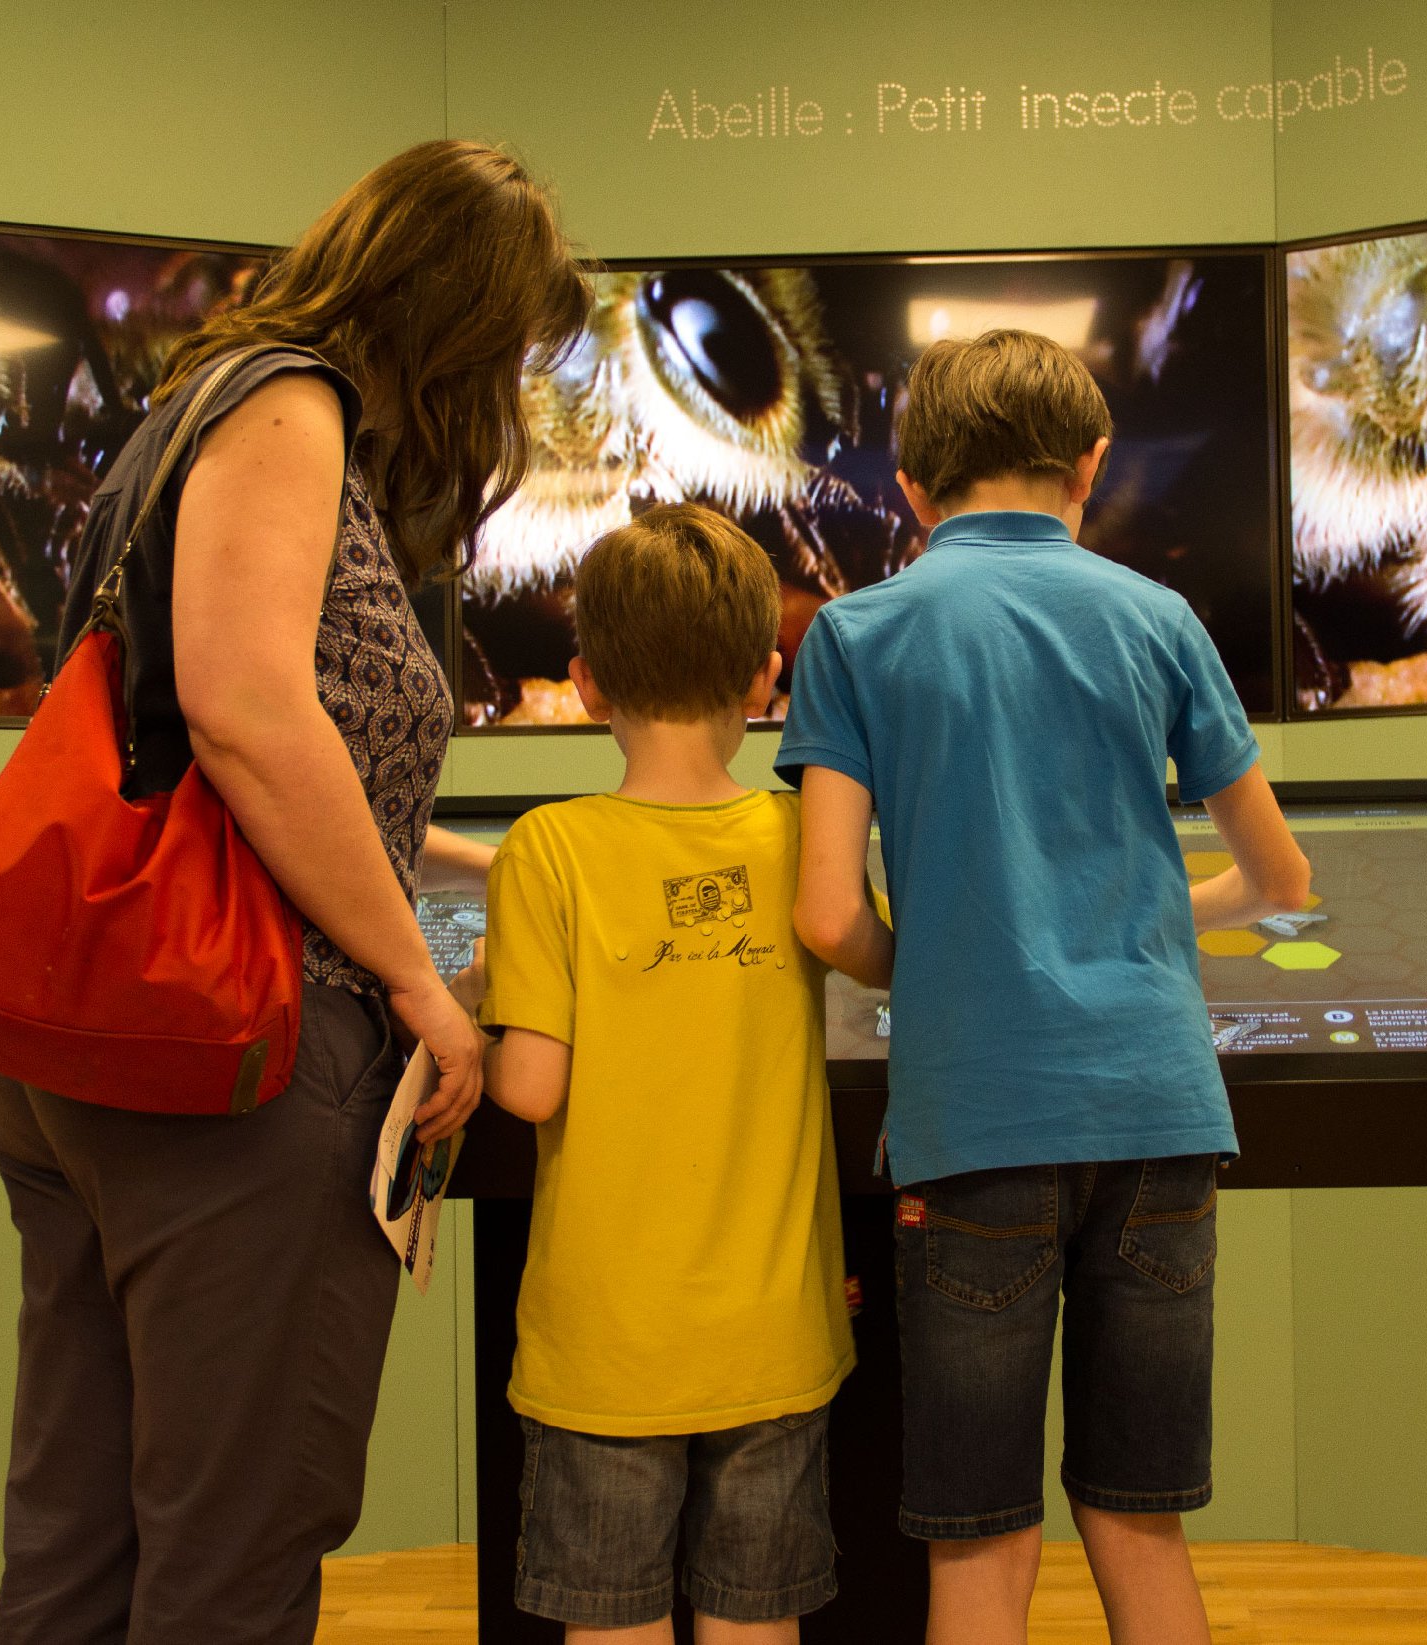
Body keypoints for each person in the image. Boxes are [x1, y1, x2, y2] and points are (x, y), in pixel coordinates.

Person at [0, 139, 590, 1645]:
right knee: (237, 1545)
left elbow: (203, 746)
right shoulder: (290, 401)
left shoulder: (195, 407)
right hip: (238, 1054)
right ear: (454, 309)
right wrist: (419, 982)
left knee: (85, 1525)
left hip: (92, 1039)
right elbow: (250, 709)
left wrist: (470, 857)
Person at [778, 329, 1310, 1645]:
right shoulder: (1158, 617)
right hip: (1160, 1114)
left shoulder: (855, 631)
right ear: (1091, 464)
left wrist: (960, 953)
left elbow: (829, 912)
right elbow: (1277, 873)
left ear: (912, 488)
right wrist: (1136, 924)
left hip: (977, 1124)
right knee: (1140, 1522)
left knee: (980, 1544)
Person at [475, 503, 869, 1644]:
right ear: (766, 673)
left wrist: (480, 1014)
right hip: (773, 1337)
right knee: (758, 1627)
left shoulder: (546, 850)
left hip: (605, 1348)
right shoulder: (803, 835)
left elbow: (532, 1088)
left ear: (587, 683)